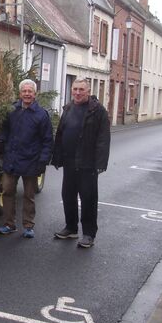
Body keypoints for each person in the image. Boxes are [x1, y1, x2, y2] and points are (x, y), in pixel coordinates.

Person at [51, 78, 110, 248]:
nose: (77, 92)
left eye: (81, 90)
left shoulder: (98, 111)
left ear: (88, 91)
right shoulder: (68, 108)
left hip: (88, 163)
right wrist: (57, 157)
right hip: (69, 162)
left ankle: (89, 234)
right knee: (67, 196)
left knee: (88, 199)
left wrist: (100, 163)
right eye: (75, 89)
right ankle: (71, 228)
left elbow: (103, 139)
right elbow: (61, 134)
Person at [0, 79, 53, 238]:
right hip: (12, 160)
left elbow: (47, 140)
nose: (27, 94)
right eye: (24, 91)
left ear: (35, 94)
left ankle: (28, 225)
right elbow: (5, 129)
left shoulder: (41, 115)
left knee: (29, 195)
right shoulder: (12, 110)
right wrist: (1, 141)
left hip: (31, 161)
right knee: (7, 191)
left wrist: (43, 161)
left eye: (30, 91)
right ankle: (9, 223)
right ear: (20, 93)